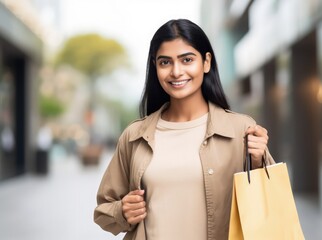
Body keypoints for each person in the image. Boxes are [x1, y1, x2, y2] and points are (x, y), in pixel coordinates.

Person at [94, 19, 275, 240]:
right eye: (165, 62)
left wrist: (258, 162)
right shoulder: (134, 136)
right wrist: (122, 211)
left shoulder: (241, 130)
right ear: (155, 66)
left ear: (206, 62)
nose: (176, 71)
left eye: (187, 60)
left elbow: (271, 207)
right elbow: (103, 210)